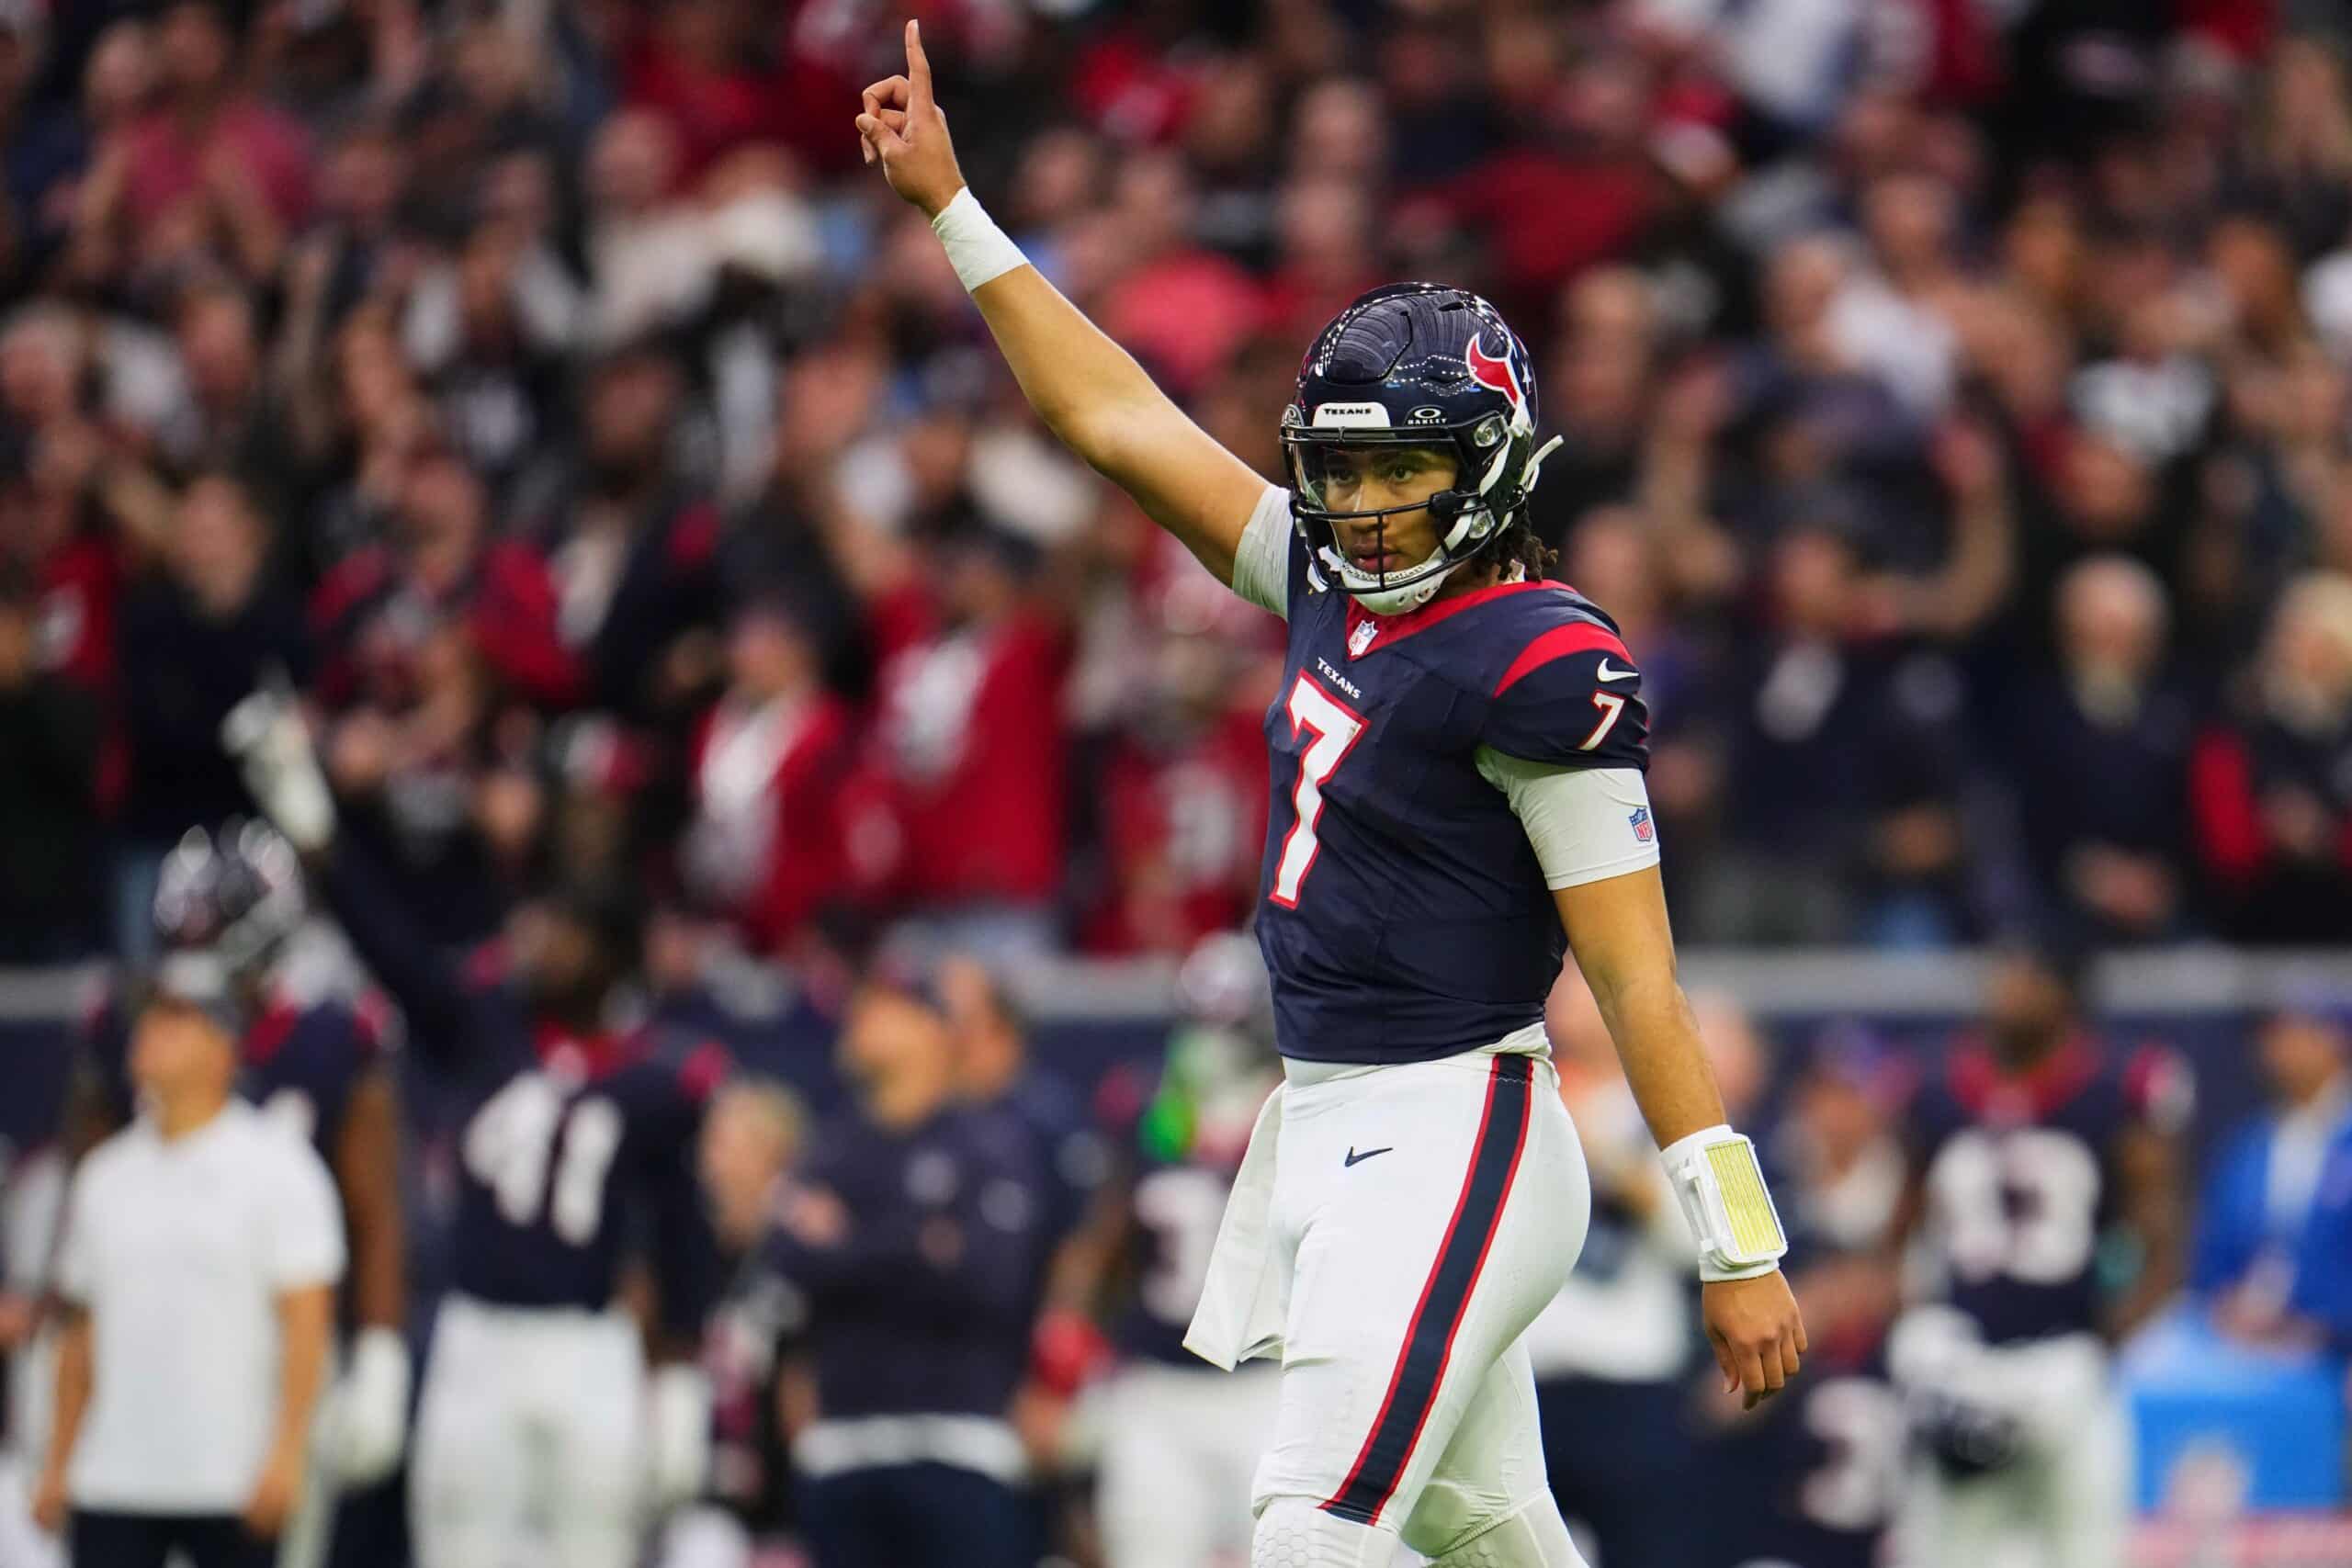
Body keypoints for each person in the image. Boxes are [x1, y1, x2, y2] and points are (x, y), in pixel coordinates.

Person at [854, 26, 1804, 1567]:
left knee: (1311, 1528)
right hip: (1333, 1125)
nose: (1363, 511)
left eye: (1400, 473)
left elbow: (1636, 978)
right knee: (1492, 1535)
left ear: (1492, 463)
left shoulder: (1542, 656)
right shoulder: (1327, 581)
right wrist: (957, 213)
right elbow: (1113, 419)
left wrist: (1738, 1240)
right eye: (1342, 474)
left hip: (1462, 1128)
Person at [219, 689, 724, 1568]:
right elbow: (390, 945)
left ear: (611, 952)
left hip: (588, 1342)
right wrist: (316, 829)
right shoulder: (483, 1024)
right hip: (478, 1336)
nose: (533, 942)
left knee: (591, 1550)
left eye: (560, 932)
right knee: (458, 1550)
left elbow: (683, 1235)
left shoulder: (654, 1077)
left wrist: (680, 1376)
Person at [72, 821, 409, 1568]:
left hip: (274, 1344)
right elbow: (85, 1207)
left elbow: (373, 1206)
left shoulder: (331, 1033)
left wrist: (379, 1352)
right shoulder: (127, 1028)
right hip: (150, 1347)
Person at [32, 951, 345, 1568]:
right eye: (150, 1018)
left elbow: (306, 1321)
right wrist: (58, 1461)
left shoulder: (277, 1165)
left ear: (223, 1046)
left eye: (176, 1020)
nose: (150, 1033)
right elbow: (81, 1333)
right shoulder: (105, 1175)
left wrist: (288, 1452)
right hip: (113, 1476)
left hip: (228, 1476)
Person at [1888, 945, 2188, 1568]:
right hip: (1966, 1363)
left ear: (2065, 995)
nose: (2004, 990)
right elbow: (1899, 1234)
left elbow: (2162, 1244)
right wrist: (1927, 1342)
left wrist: (2099, 1349)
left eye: (2024, 976)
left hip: (2065, 1359)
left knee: (2086, 1551)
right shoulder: (1939, 1089)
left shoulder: (2115, 1092)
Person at [754, 970, 1055, 1568]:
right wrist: (920, 1243)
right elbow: (787, 1260)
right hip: (843, 1442)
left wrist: (848, 1242)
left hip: (959, 1440)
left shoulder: (991, 1143)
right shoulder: (830, 1146)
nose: (860, 1020)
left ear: (931, 1028)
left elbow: (989, 1279)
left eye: (882, 1008)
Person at [1090, 932, 1285, 1568]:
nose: (1214, 1043)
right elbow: (1107, 1233)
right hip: (1157, 1380)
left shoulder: (1298, 1106)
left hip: (1268, 1380)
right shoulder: (1151, 1111)